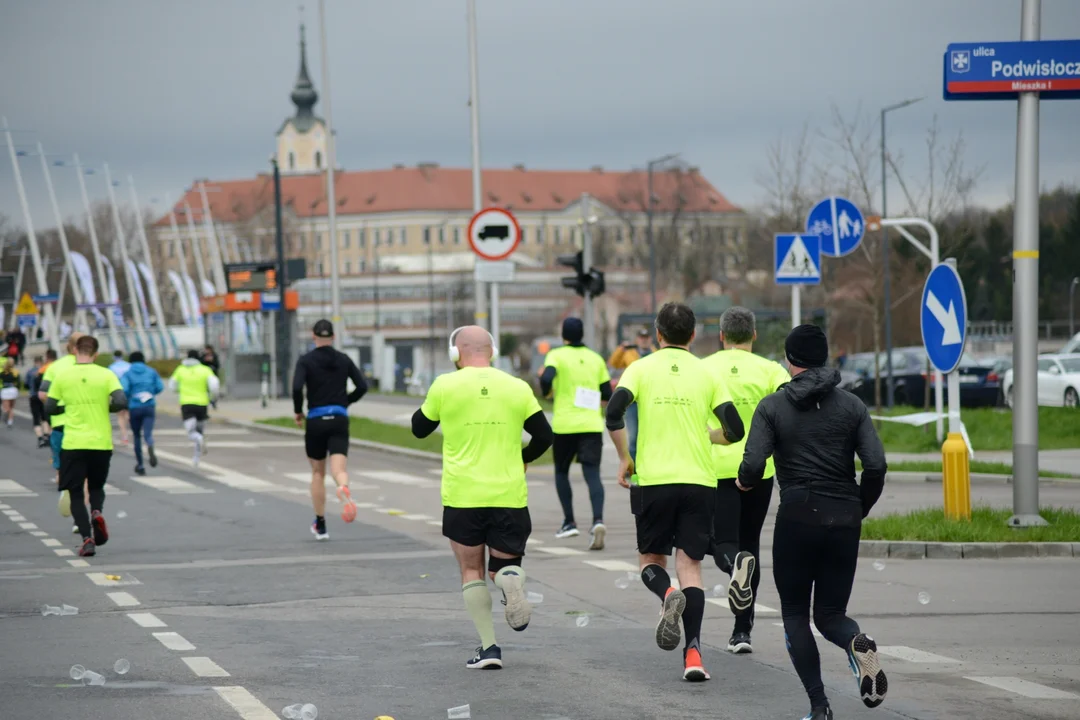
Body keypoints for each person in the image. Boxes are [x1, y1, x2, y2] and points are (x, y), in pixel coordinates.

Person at [738, 325, 888, 720]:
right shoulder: (852, 406)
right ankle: (857, 641)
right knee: (831, 615)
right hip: (845, 517)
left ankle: (819, 707)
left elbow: (754, 464)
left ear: (789, 361)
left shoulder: (772, 407)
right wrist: (860, 506)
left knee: (794, 613)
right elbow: (875, 465)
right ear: (824, 358)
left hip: (798, 516)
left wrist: (744, 480)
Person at [605, 303, 744, 683]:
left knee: (651, 562)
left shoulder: (640, 368)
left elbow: (613, 413)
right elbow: (735, 428)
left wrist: (624, 458)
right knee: (691, 567)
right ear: (694, 335)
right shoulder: (706, 372)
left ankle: (667, 596)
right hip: (700, 481)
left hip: (654, 481)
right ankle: (694, 654)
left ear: (658, 333)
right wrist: (711, 436)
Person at [411, 326, 553, 670]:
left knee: (471, 569)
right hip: (509, 495)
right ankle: (510, 582)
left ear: (455, 354)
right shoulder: (517, 387)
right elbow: (544, 435)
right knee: (502, 567)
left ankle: (489, 648)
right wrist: (524, 457)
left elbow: (419, 428)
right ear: (491, 350)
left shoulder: (445, 385)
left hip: (463, 496)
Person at [701, 306, 791, 655]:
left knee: (722, 542)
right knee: (750, 543)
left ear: (721, 335)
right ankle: (742, 632)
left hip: (716, 469)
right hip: (760, 470)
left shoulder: (704, 368)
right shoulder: (772, 371)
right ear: (754, 335)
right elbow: (788, 410)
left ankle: (731, 565)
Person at [44, 334, 128, 557]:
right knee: (96, 487)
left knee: (75, 492)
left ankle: (87, 538)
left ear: (75, 351)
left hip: (73, 442)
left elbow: (49, 408)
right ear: (96, 353)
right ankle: (97, 512)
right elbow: (120, 401)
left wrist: (66, 410)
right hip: (101, 442)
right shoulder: (106, 374)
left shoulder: (63, 375)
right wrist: (105, 409)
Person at [538, 317, 612, 547]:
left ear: (564, 336)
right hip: (591, 425)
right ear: (583, 334)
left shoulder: (556, 355)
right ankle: (597, 520)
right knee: (593, 475)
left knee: (561, 472)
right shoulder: (596, 359)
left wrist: (546, 391)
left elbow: (547, 377)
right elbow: (607, 392)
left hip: (565, 425)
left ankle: (569, 522)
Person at [292, 319, 366, 540]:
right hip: (339, 419)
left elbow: (296, 387)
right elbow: (362, 385)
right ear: (333, 337)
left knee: (317, 473)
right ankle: (343, 486)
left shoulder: (305, 361)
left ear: (314, 336)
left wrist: (298, 411)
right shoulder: (343, 359)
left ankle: (321, 524)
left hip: (315, 419)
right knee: (338, 469)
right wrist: (345, 401)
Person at [39, 333, 87, 492]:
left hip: (60, 420)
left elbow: (42, 394)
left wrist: (56, 406)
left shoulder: (54, 367)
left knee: (61, 455)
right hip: (86, 421)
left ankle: (62, 479)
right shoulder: (95, 368)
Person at [607, 327, 655, 462]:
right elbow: (614, 363)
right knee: (633, 436)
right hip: (633, 401)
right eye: (641, 338)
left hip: (650, 399)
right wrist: (621, 349)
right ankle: (633, 467)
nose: (644, 341)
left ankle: (646, 464)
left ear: (650, 339)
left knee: (649, 435)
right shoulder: (630, 354)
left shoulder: (655, 353)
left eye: (646, 338)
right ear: (637, 340)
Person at [169, 349, 220, 467]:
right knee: (200, 430)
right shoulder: (205, 370)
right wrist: (213, 398)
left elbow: (172, 386)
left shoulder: (180, 370)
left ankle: (199, 441)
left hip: (187, 404)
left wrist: (179, 390)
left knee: (191, 432)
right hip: (202, 404)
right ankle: (196, 457)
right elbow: (214, 385)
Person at [121, 351, 164, 476]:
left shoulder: (128, 373)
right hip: (149, 405)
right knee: (148, 433)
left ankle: (140, 464)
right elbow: (160, 387)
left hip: (134, 406)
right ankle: (150, 443)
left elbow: (125, 389)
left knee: (136, 436)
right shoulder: (151, 371)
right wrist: (151, 392)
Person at [109, 350, 132, 444]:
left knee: (120, 415)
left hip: (117, 392)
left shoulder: (111, 367)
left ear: (114, 357)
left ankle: (124, 436)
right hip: (129, 392)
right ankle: (131, 432)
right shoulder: (128, 366)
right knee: (127, 414)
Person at [26, 355, 49, 446]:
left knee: (36, 417)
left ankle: (40, 438)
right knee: (44, 417)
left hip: (33, 396)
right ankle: (46, 435)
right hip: (44, 396)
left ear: (34, 362)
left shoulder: (30, 372)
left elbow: (26, 384)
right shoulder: (45, 371)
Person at [0, 357, 20, 428]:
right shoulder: (15, 372)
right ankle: (10, 420)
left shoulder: (3, 372)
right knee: (11, 407)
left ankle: (8, 418)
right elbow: (18, 381)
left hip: (6, 390)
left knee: (7, 408)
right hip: (13, 389)